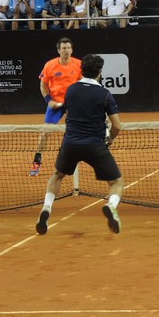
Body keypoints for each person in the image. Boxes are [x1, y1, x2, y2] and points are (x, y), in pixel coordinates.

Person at [35, 53, 124, 235]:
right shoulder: (105, 94)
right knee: (116, 181)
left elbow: (69, 113)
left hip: (71, 143)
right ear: (100, 72)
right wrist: (109, 140)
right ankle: (111, 205)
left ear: (82, 71)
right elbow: (117, 125)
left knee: (57, 175)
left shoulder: (71, 90)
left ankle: (46, 208)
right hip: (95, 145)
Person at [31, 37, 83, 177]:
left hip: (73, 104)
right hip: (55, 103)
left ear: (72, 50)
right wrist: (49, 100)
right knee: (45, 132)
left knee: (75, 131)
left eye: (68, 48)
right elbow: (43, 85)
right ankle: (37, 160)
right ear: (58, 50)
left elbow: (86, 83)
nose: (66, 51)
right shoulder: (50, 65)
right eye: (63, 48)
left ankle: (69, 158)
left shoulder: (79, 64)